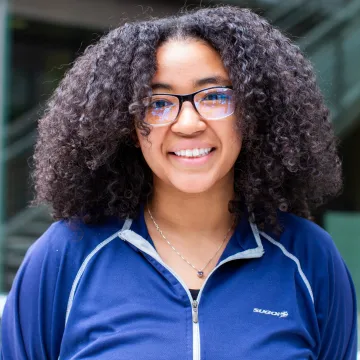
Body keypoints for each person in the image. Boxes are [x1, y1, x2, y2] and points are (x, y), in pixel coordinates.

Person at [1, 6, 357, 360]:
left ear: (254, 112)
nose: (188, 124)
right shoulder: (67, 255)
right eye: (157, 102)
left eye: (215, 96)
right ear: (126, 127)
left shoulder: (309, 258)